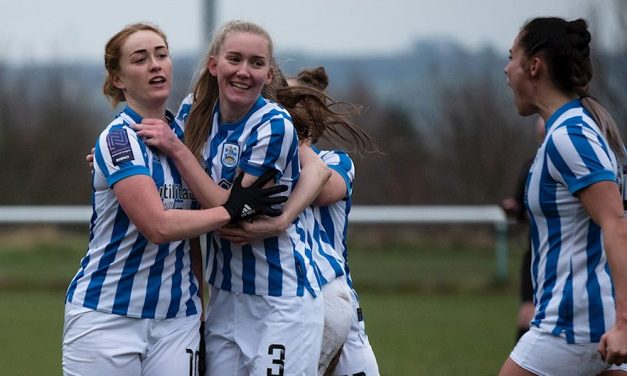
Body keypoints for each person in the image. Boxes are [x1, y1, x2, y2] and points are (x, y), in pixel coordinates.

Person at [62, 23, 286, 376]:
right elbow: (159, 226)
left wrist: (197, 306)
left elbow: (189, 241)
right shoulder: (118, 139)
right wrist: (230, 210)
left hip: (177, 319)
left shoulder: (183, 140)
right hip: (107, 315)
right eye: (140, 59)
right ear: (119, 79)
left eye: (161, 55)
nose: (155, 64)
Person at [132, 20, 333, 375]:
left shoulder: (273, 125)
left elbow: (232, 209)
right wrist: (113, 156)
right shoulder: (193, 109)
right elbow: (157, 149)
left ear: (269, 74)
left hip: (281, 299)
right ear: (214, 65)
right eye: (234, 59)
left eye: (256, 63)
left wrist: (178, 150)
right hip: (225, 294)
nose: (244, 72)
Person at [220, 66, 381, 376]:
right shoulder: (260, 160)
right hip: (284, 300)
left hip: (329, 294)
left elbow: (322, 189)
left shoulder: (334, 162)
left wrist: (286, 136)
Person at [499, 17, 627, 376]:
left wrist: (624, 324)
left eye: (512, 57)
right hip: (589, 326)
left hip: (572, 328)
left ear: (534, 66)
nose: (507, 70)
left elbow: (616, 223)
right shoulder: (579, 129)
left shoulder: (570, 136)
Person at [500, 116, 545, 341]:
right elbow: (521, 209)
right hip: (536, 250)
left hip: (557, 255)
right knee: (528, 310)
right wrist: (514, 208)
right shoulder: (531, 166)